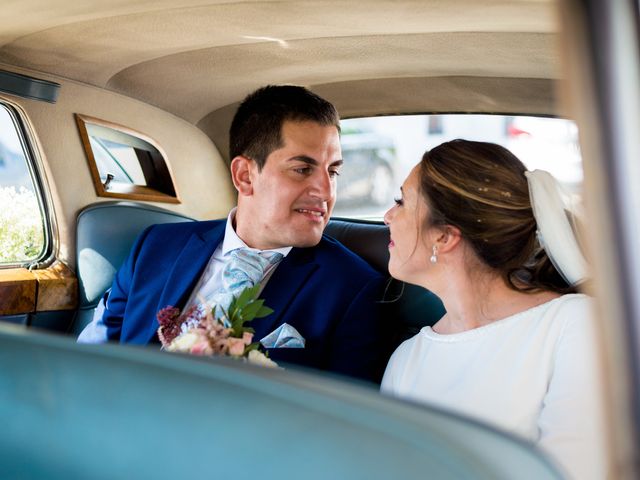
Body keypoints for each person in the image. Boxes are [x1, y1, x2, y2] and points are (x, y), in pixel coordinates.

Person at [78, 85, 388, 383]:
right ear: (245, 176)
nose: (326, 191)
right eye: (303, 169)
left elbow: (340, 421)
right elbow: (91, 359)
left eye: (333, 171)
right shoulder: (155, 246)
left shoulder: (352, 289)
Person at [380, 139, 607, 479]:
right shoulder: (406, 359)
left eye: (402, 201)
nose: (387, 217)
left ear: (444, 237)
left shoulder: (574, 326)